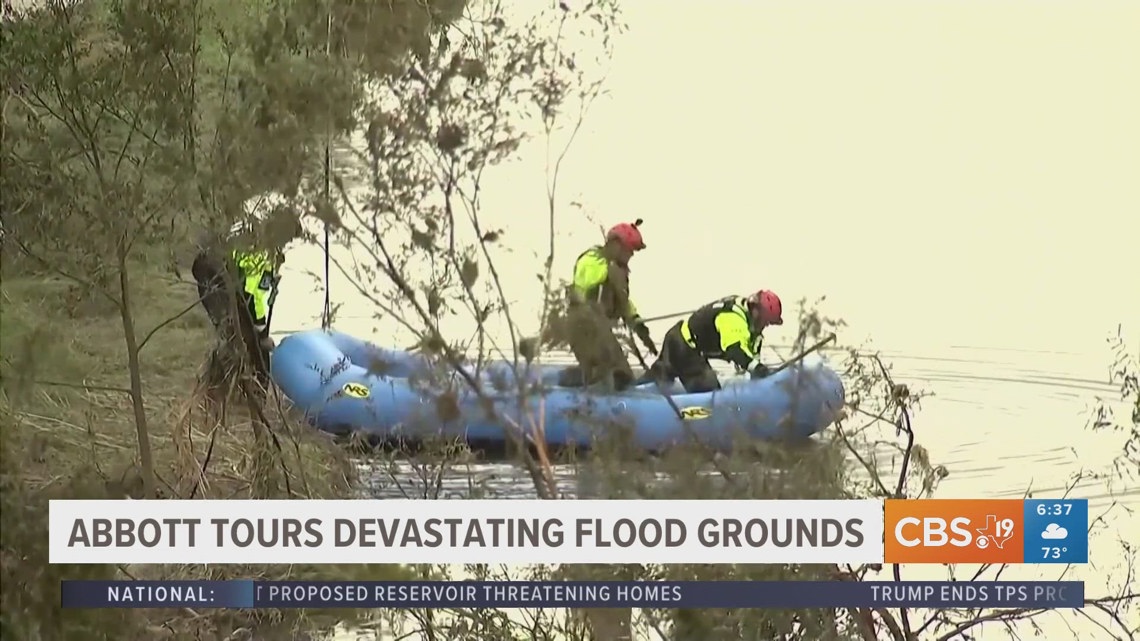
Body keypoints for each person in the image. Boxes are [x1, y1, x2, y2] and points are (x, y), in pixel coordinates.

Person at [191, 196, 289, 379]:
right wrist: (262, 333)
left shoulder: (256, 228)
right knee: (244, 339)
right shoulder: (261, 251)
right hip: (216, 277)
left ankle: (239, 381)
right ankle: (245, 386)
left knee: (236, 333)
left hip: (211, 269)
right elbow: (254, 295)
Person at [557, 219, 657, 391]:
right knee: (607, 372)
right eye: (629, 250)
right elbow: (583, 283)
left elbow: (623, 301)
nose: (631, 255)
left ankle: (582, 381)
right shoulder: (592, 260)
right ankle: (569, 386)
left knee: (622, 376)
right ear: (616, 245)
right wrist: (609, 269)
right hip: (583, 325)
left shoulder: (616, 268)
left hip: (599, 328)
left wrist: (637, 324)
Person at [641, 290, 783, 393]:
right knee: (710, 392)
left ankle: (628, 392)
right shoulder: (733, 318)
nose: (765, 326)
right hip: (684, 346)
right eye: (766, 321)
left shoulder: (750, 325)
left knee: (659, 378)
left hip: (680, 339)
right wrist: (756, 367)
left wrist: (759, 370)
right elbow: (735, 350)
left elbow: (751, 356)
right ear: (756, 312)